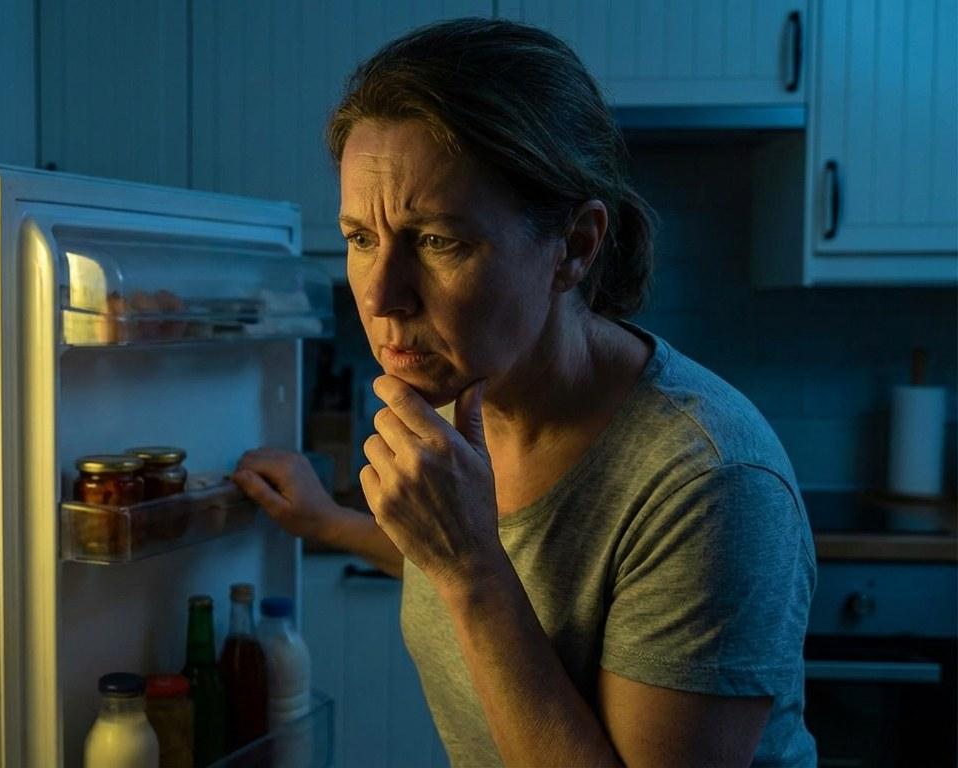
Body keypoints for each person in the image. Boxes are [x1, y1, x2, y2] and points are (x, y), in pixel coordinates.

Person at [232, 18, 816, 767]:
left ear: (574, 245)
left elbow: (479, 564)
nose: (378, 296)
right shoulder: (462, 389)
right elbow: (520, 572)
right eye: (361, 238)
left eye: (437, 241)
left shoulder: (709, 484)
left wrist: (471, 568)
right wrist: (331, 523)